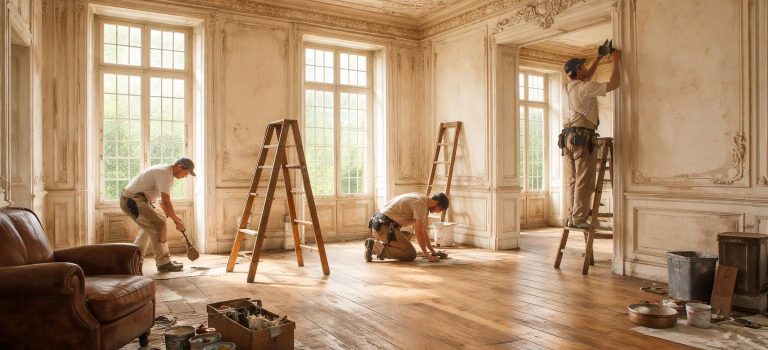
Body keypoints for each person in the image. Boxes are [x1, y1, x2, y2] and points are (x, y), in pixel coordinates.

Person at [560, 47, 621, 229]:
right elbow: (615, 83)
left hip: (567, 138)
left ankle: (573, 216)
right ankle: (579, 219)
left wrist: (599, 57)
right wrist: (615, 61)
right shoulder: (586, 88)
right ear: (579, 70)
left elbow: (585, 77)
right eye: (584, 68)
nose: (587, 71)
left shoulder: (566, 87)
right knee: (584, 181)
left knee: (574, 180)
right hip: (582, 138)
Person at [119, 157, 195, 272]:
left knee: (152, 226)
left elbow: (161, 202)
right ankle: (163, 263)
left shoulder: (166, 172)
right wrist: (176, 221)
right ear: (179, 166)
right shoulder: (165, 174)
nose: (185, 176)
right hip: (132, 200)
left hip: (135, 199)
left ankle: (133, 261)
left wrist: (172, 217)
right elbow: (166, 201)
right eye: (186, 172)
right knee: (159, 224)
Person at [365, 192, 449, 262]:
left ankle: (382, 247)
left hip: (377, 224)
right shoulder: (421, 204)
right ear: (437, 203)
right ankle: (375, 247)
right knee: (410, 254)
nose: (438, 212)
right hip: (383, 228)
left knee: (408, 234)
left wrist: (433, 252)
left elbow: (423, 231)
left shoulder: (421, 198)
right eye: (440, 210)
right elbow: (419, 232)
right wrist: (428, 256)